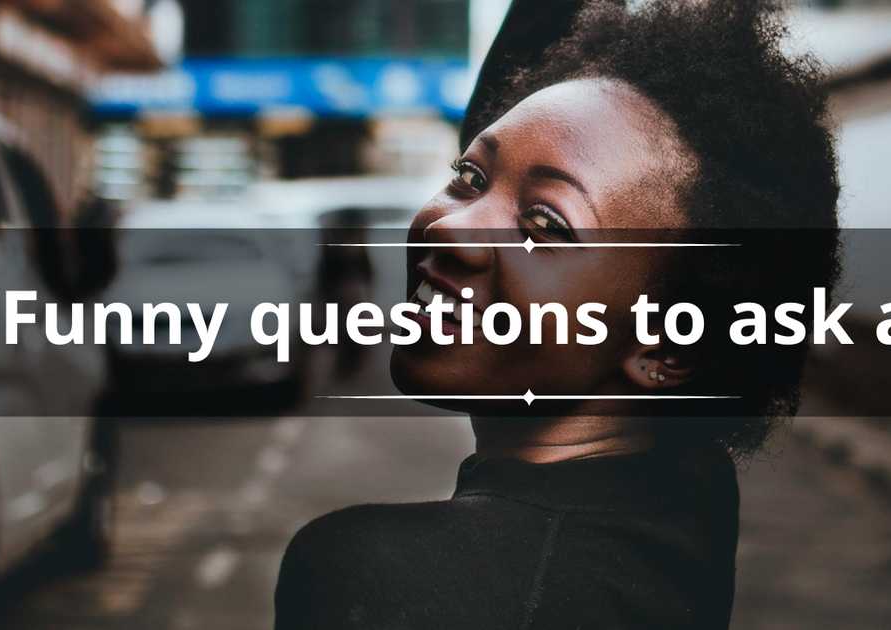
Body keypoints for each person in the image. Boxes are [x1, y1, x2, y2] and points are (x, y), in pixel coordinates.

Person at [275, 0, 839, 628]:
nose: (454, 230)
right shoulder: (679, 492)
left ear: (668, 344)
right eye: (469, 176)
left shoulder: (378, 581)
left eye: (545, 224)